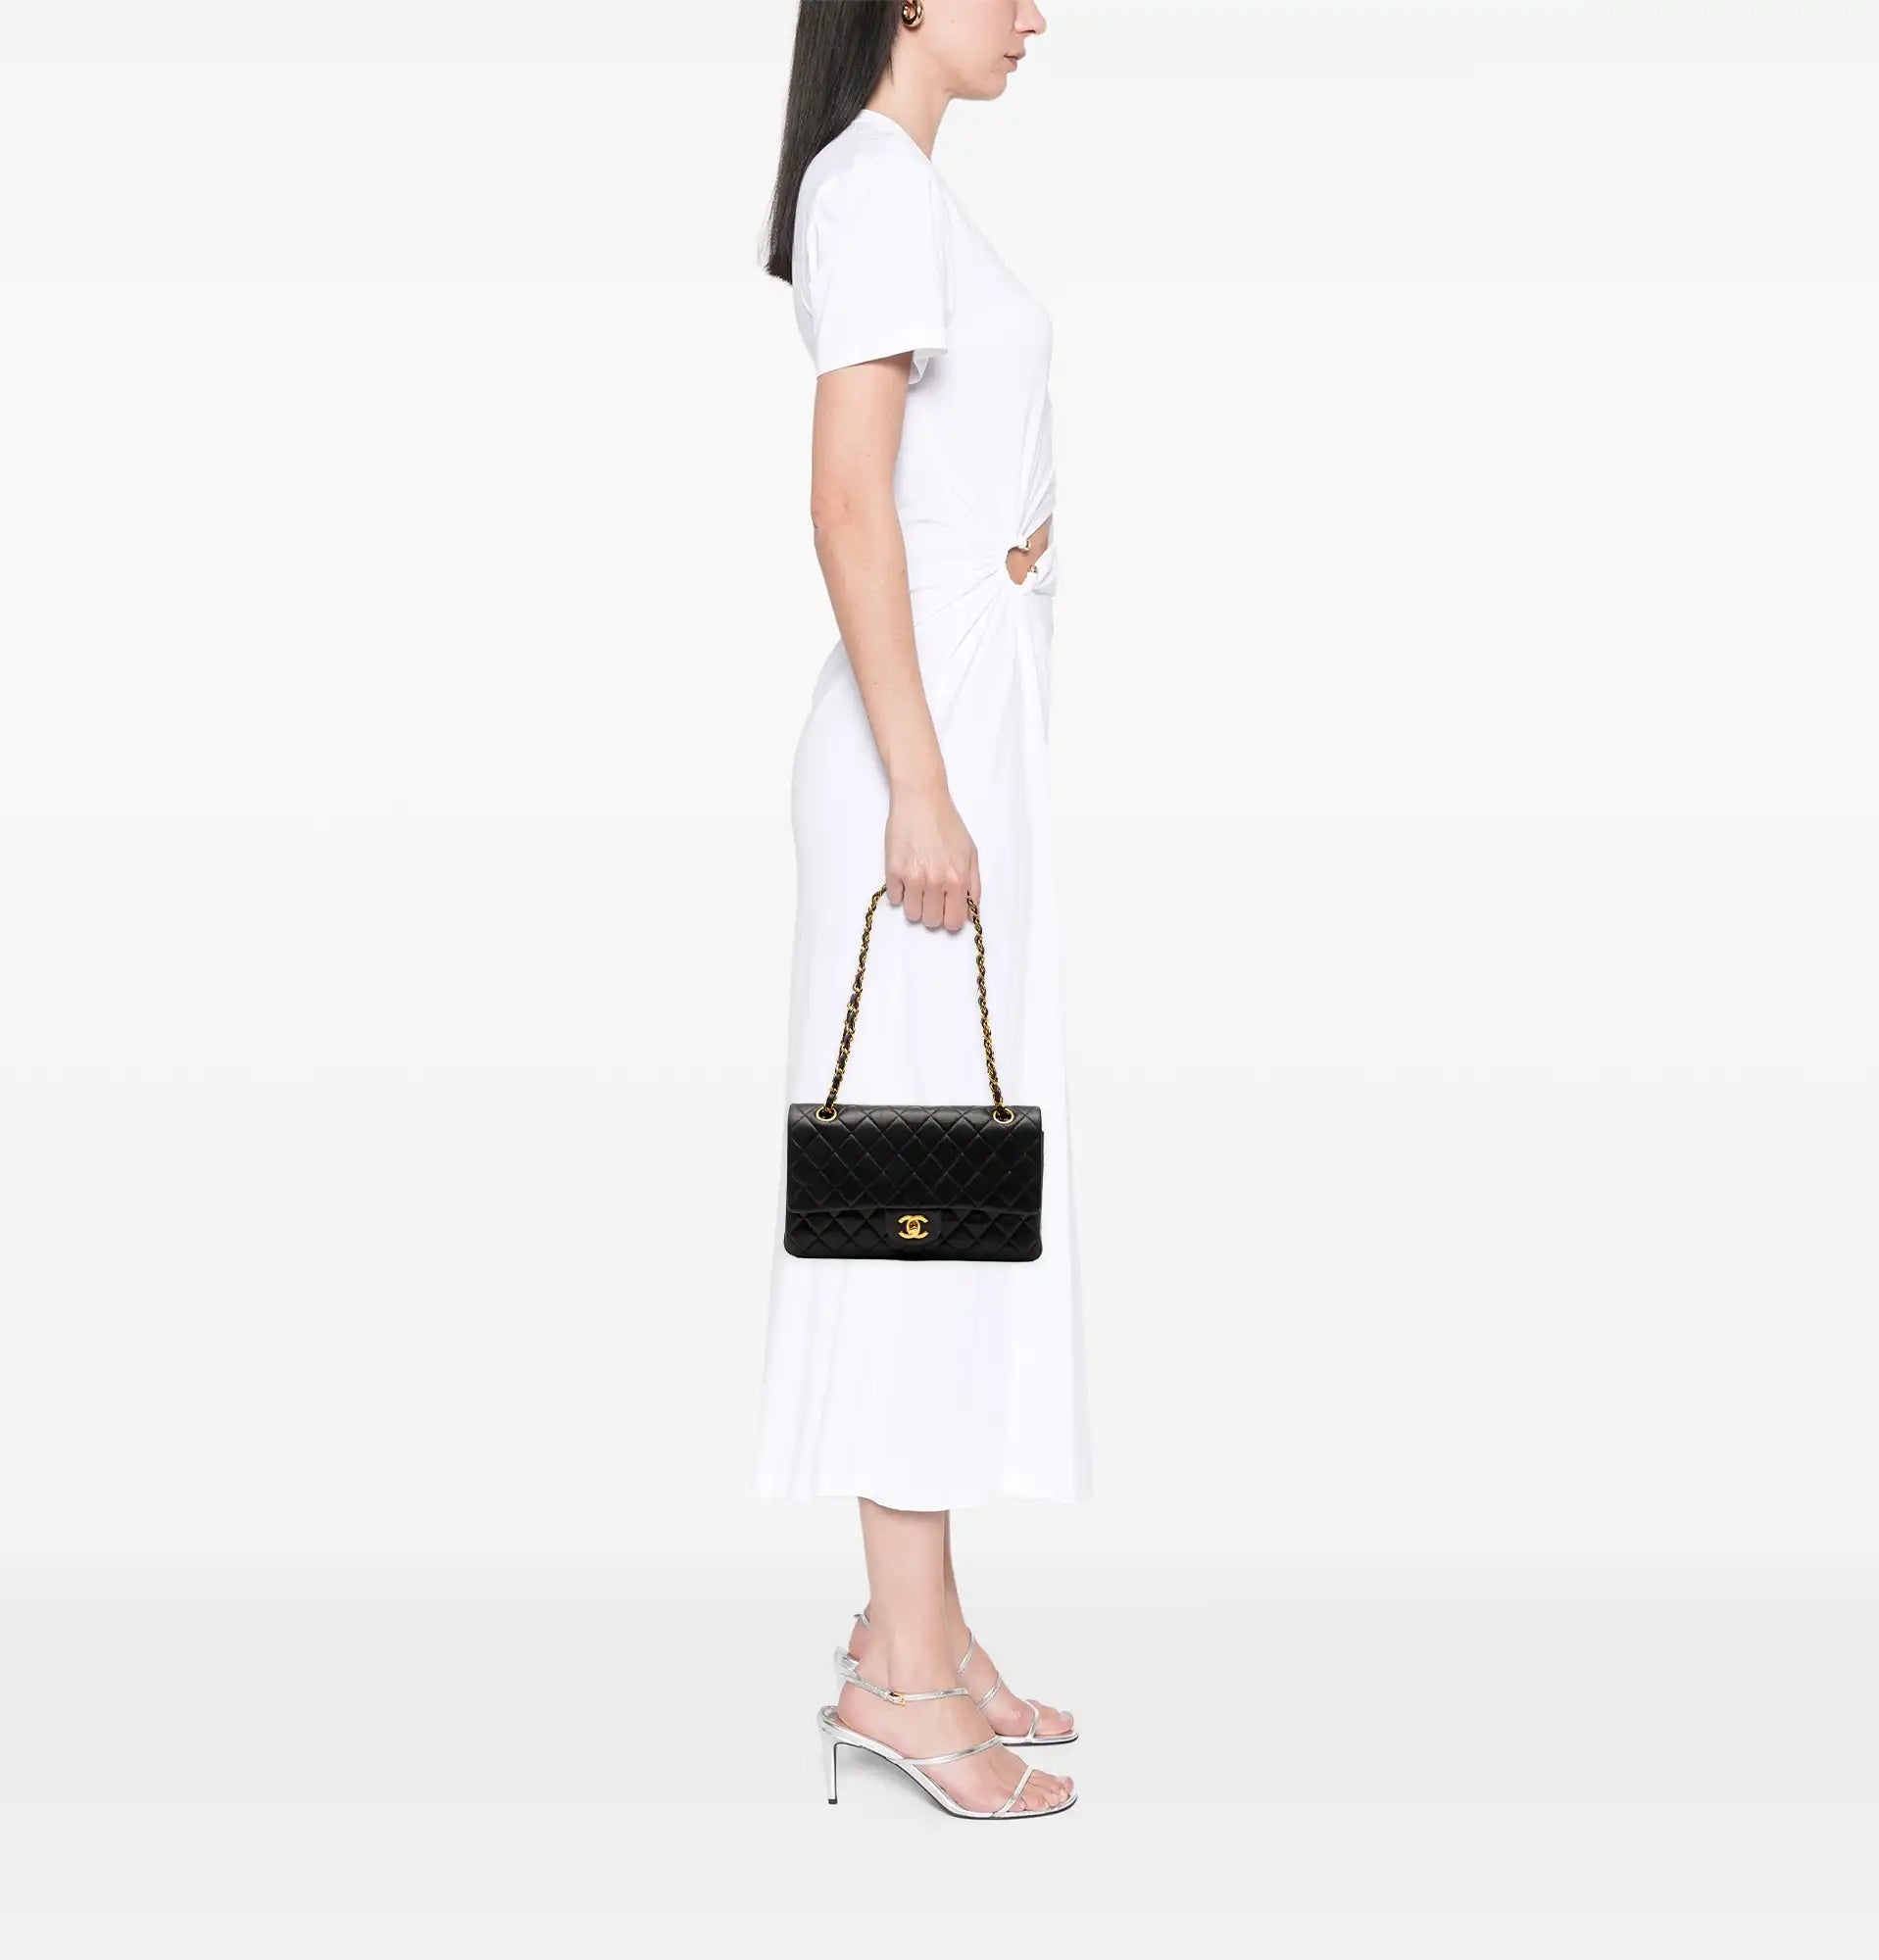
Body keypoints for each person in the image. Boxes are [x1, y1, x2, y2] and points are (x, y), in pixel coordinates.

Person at [756, 1, 1088, 1821]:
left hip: (956, 728)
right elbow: (846, 502)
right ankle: (896, 1673)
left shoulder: (898, 184)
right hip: (924, 744)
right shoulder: (873, 183)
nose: (1034, 14)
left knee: (947, 1189)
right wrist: (920, 779)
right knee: (907, 1191)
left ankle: (929, 1630)